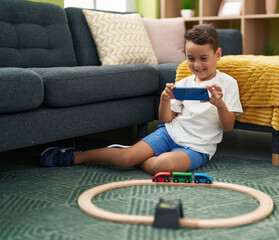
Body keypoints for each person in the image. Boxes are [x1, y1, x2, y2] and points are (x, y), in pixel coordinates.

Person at [40, 24, 243, 175]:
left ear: (217, 54)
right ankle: (77, 156)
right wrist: (165, 99)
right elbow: (165, 120)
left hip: (197, 148)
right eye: (191, 58)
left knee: (160, 166)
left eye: (203, 58)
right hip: (169, 134)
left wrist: (219, 105)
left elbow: (227, 126)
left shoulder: (228, 84)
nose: (196, 65)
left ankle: (127, 157)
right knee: (127, 157)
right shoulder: (183, 83)